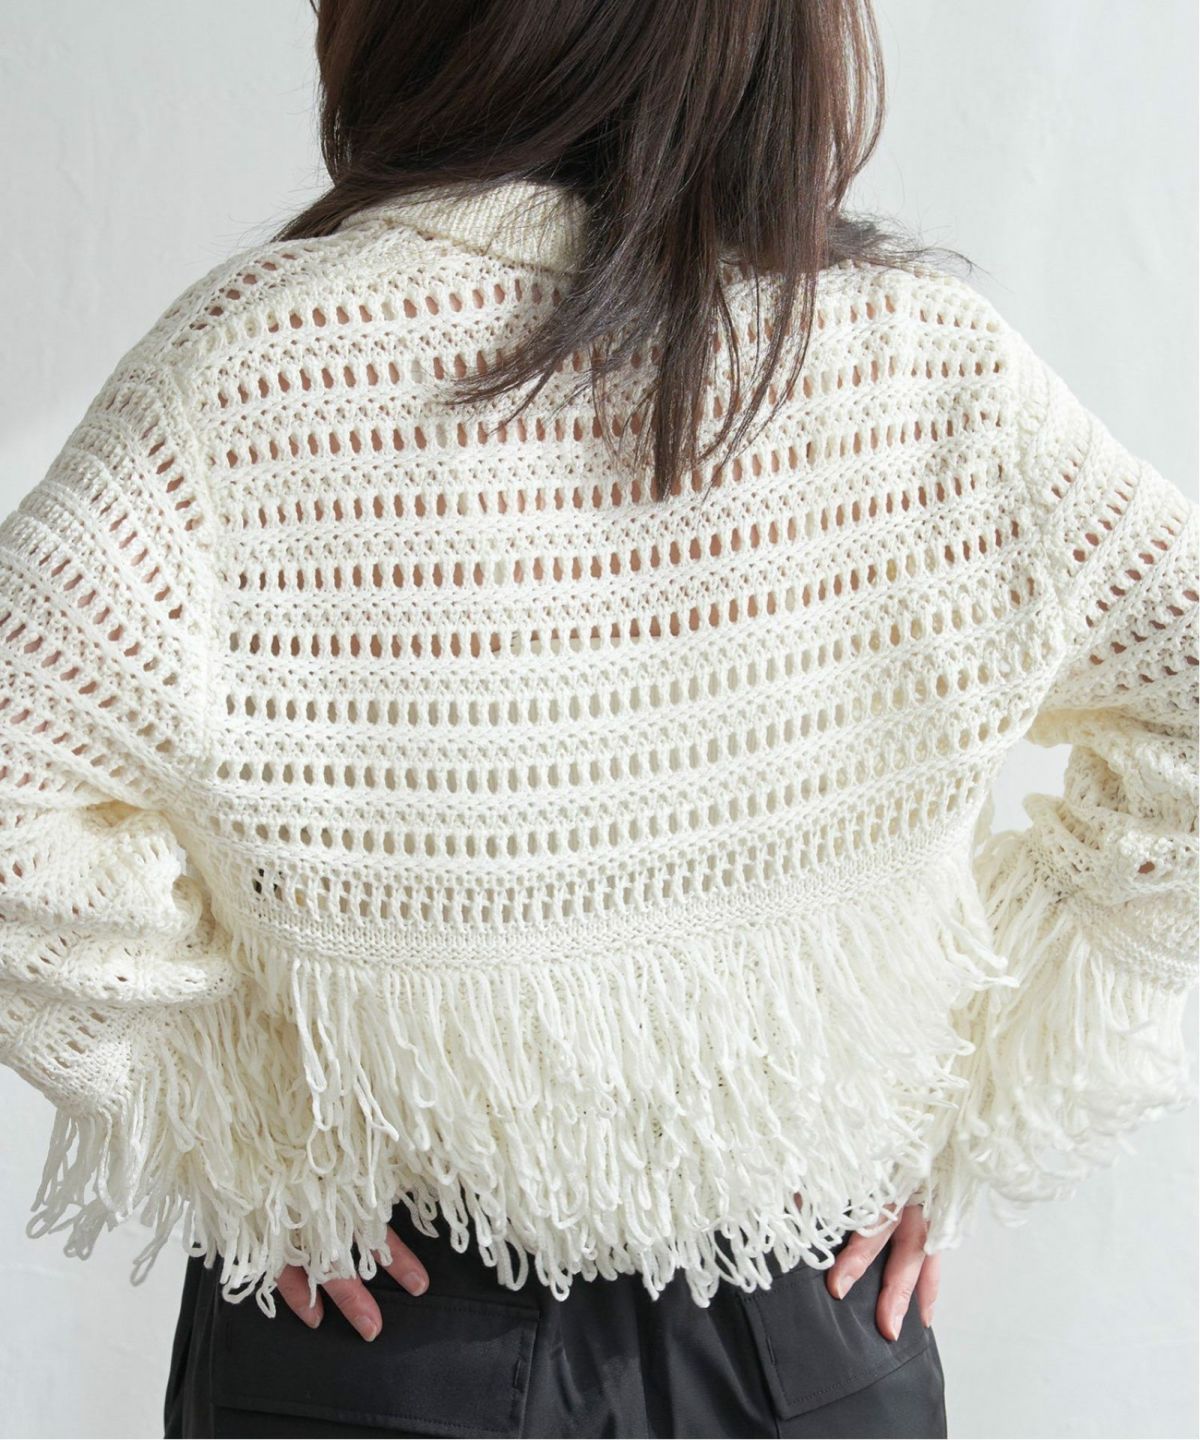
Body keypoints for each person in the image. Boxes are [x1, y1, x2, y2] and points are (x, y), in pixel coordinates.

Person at [1, 2, 1196, 1437]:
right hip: (806, 1331)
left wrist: (246, 1122)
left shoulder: (251, 370)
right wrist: (982, 1092)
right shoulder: (927, 362)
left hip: (388, 1340)